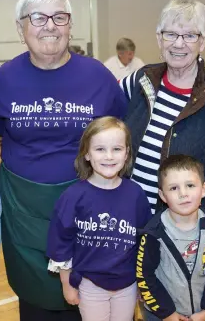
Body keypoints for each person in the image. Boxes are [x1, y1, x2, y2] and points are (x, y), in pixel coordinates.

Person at [0, 0, 127, 320]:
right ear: (21, 28)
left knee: (91, 300)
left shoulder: (98, 77)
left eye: (59, 17)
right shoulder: (3, 80)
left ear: (71, 25)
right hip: (25, 215)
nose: (50, 25)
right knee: (35, 304)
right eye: (38, 18)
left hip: (89, 213)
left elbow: (120, 132)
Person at [120, 0, 205, 248]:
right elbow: (103, 117)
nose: (179, 44)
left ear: (202, 43)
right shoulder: (139, 81)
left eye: (190, 35)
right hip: (129, 218)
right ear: (159, 38)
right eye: (171, 34)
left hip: (182, 230)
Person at [47, 116, 152, 321]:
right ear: (87, 153)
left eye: (117, 149)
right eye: (100, 149)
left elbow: (145, 243)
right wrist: (67, 285)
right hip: (90, 284)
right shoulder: (73, 197)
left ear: (127, 153)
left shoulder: (136, 194)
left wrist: (143, 283)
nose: (109, 156)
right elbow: (60, 246)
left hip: (127, 284)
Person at [137, 154, 205, 321]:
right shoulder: (153, 234)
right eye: (173, 188)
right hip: (161, 315)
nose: (183, 193)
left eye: (190, 185)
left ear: (204, 189)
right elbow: (144, 276)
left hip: (202, 315)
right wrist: (167, 313)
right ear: (163, 196)